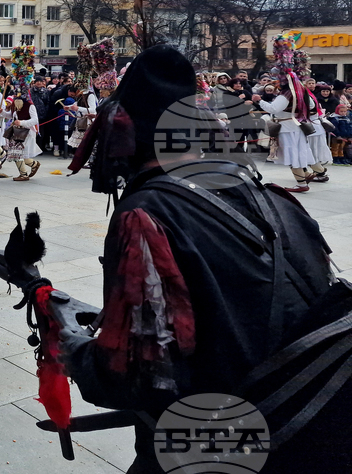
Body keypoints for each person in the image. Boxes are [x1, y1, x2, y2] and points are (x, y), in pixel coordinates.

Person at [59, 44, 351, 473]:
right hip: (317, 432)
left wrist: (73, 348)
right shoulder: (276, 198)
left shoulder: (144, 214)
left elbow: (139, 375)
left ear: (122, 132)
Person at [253, 76, 328, 192]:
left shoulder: (286, 94)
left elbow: (273, 108)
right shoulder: (301, 93)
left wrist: (259, 101)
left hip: (287, 128)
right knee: (299, 152)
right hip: (297, 126)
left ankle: (302, 184)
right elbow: (312, 106)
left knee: (293, 155)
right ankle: (309, 174)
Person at [2, 95, 41, 180]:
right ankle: (34, 164)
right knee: (17, 153)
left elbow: (35, 120)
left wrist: (22, 122)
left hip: (27, 132)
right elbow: (11, 115)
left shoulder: (30, 106)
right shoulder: (15, 105)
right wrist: (2, 112)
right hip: (17, 132)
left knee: (18, 153)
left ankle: (24, 174)